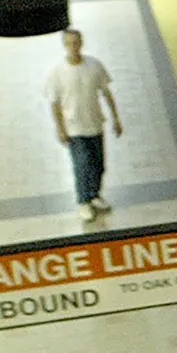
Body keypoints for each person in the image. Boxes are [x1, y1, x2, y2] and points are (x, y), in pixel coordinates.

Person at [46, 29, 123, 221]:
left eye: (76, 42)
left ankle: (94, 195)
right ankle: (83, 201)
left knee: (98, 165)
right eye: (69, 43)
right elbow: (54, 103)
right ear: (64, 45)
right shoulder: (57, 72)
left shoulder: (94, 66)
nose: (73, 47)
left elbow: (106, 93)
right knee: (82, 165)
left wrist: (115, 118)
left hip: (95, 124)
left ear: (81, 43)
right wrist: (60, 128)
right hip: (74, 128)